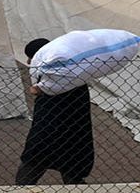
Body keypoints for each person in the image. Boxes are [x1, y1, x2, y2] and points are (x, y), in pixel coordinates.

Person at [15, 37, 94, 185]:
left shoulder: (50, 79)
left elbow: (44, 93)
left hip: (46, 135)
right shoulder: (75, 75)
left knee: (30, 167)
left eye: (31, 57)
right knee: (72, 172)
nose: (28, 62)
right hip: (75, 136)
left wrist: (39, 90)